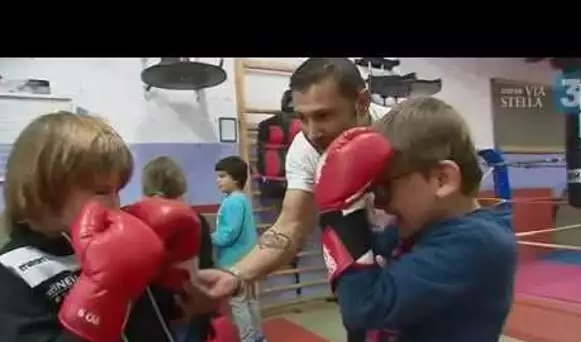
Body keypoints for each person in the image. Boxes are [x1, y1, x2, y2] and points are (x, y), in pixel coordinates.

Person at [194, 58, 374, 341]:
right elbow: (291, 225)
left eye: (324, 115)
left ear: (362, 103)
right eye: (302, 117)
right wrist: (235, 275)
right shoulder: (306, 149)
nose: (312, 132)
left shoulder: (405, 130)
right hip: (364, 290)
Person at [315, 97, 517, 342]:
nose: (379, 202)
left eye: (385, 187)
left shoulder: (479, 242)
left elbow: (364, 308)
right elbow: (361, 272)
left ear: (442, 180)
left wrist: (339, 214)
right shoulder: (415, 228)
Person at [0, 111, 200, 342]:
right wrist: (101, 295)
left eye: (117, 191)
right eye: (102, 192)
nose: (115, 203)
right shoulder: (10, 275)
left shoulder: (98, 242)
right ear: (47, 187)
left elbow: (148, 316)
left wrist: (183, 292)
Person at [142, 156, 218, 342]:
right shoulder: (194, 219)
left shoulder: (136, 221)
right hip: (185, 303)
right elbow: (205, 265)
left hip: (158, 306)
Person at [212, 156, 266, 342]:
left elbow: (229, 233)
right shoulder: (242, 199)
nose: (217, 180)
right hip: (248, 259)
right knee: (249, 300)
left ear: (235, 178)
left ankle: (249, 339)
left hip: (235, 261)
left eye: (222, 176)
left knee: (239, 303)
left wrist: (208, 238)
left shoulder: (232, 202)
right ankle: (258, 337)